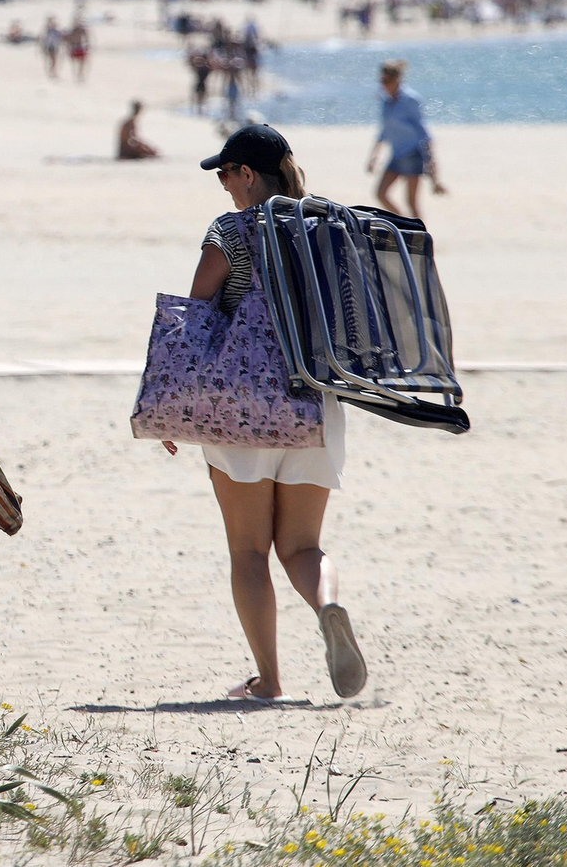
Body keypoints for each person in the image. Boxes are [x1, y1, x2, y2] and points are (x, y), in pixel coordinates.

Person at [164, 124, 368, 703]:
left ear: (247, 174)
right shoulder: (325, 231)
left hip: (242, 408)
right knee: (303, 546)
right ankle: (328, 605)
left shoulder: (229, 232)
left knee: (249, 551)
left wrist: (176, 409)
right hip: (313, 403)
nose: (223, 187)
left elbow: (196, 319)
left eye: (225, 175)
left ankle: (271, 681)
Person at [367, 60, 446, 221]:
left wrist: (433, 168)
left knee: (411, 202)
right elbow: (384, 131)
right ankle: (404, 226)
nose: (383, 85)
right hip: (396, 155)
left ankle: (420, 238)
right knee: (380, 194)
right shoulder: (386, 101)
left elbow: (423, 132)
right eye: (381, 81)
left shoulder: (411, 100)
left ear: (397, 80)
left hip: (412, 154)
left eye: (386, 81)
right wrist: (373, 156)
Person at [189, 48, 213, 114]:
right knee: (200, 97)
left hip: (202, 83)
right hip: (201, 83)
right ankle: (199, 110)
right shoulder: (203, 68)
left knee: (201, 97)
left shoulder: (204, 68)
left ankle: (200, 110)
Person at [67, 17, 90, 83]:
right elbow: (69, 39)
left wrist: (86, 46)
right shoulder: (72, 30)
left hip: (80, 47)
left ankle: (79, 75)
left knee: (82, 63)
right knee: (74, 63)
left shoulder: (82, 30)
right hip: (74, 47)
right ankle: (76, 75)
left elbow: (86, 38)